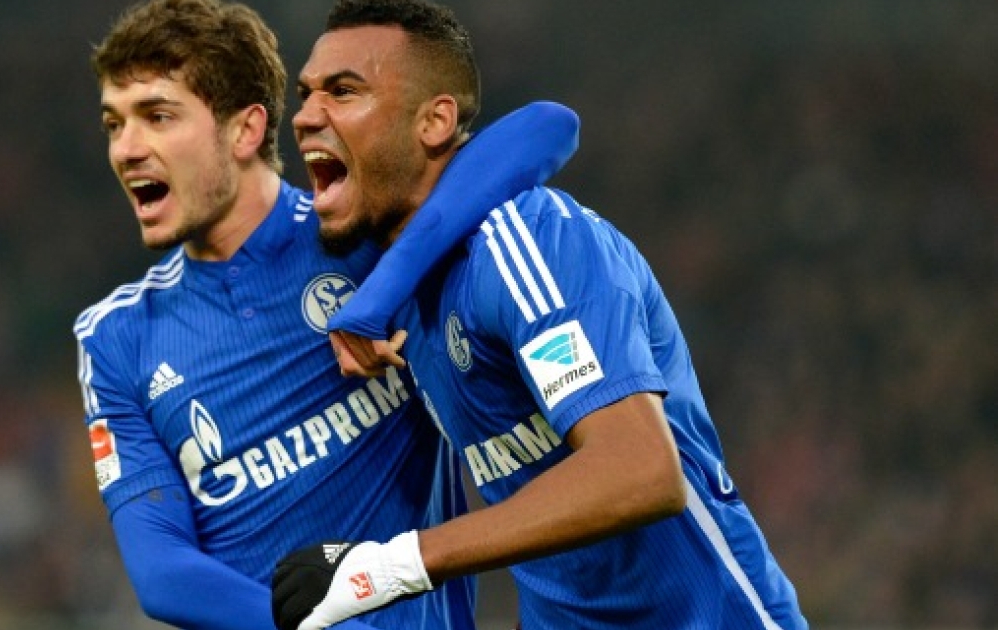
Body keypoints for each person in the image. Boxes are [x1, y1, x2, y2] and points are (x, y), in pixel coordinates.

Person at [270, 1, 809, 629]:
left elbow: (640, 472)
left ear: (435, 120)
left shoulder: (525, 244)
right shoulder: (402, 301)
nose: (306, 116)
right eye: (305, 95)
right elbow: (541, 516)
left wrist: (389, 567)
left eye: (343, 91)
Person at [71, 0, 579, 628]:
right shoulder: (114, 337)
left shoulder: (360, 235)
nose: (126, 149)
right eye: (114, 124)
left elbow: (548, 127)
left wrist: (379, 293)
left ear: (245, 130)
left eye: (157, 117)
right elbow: (164, 576)